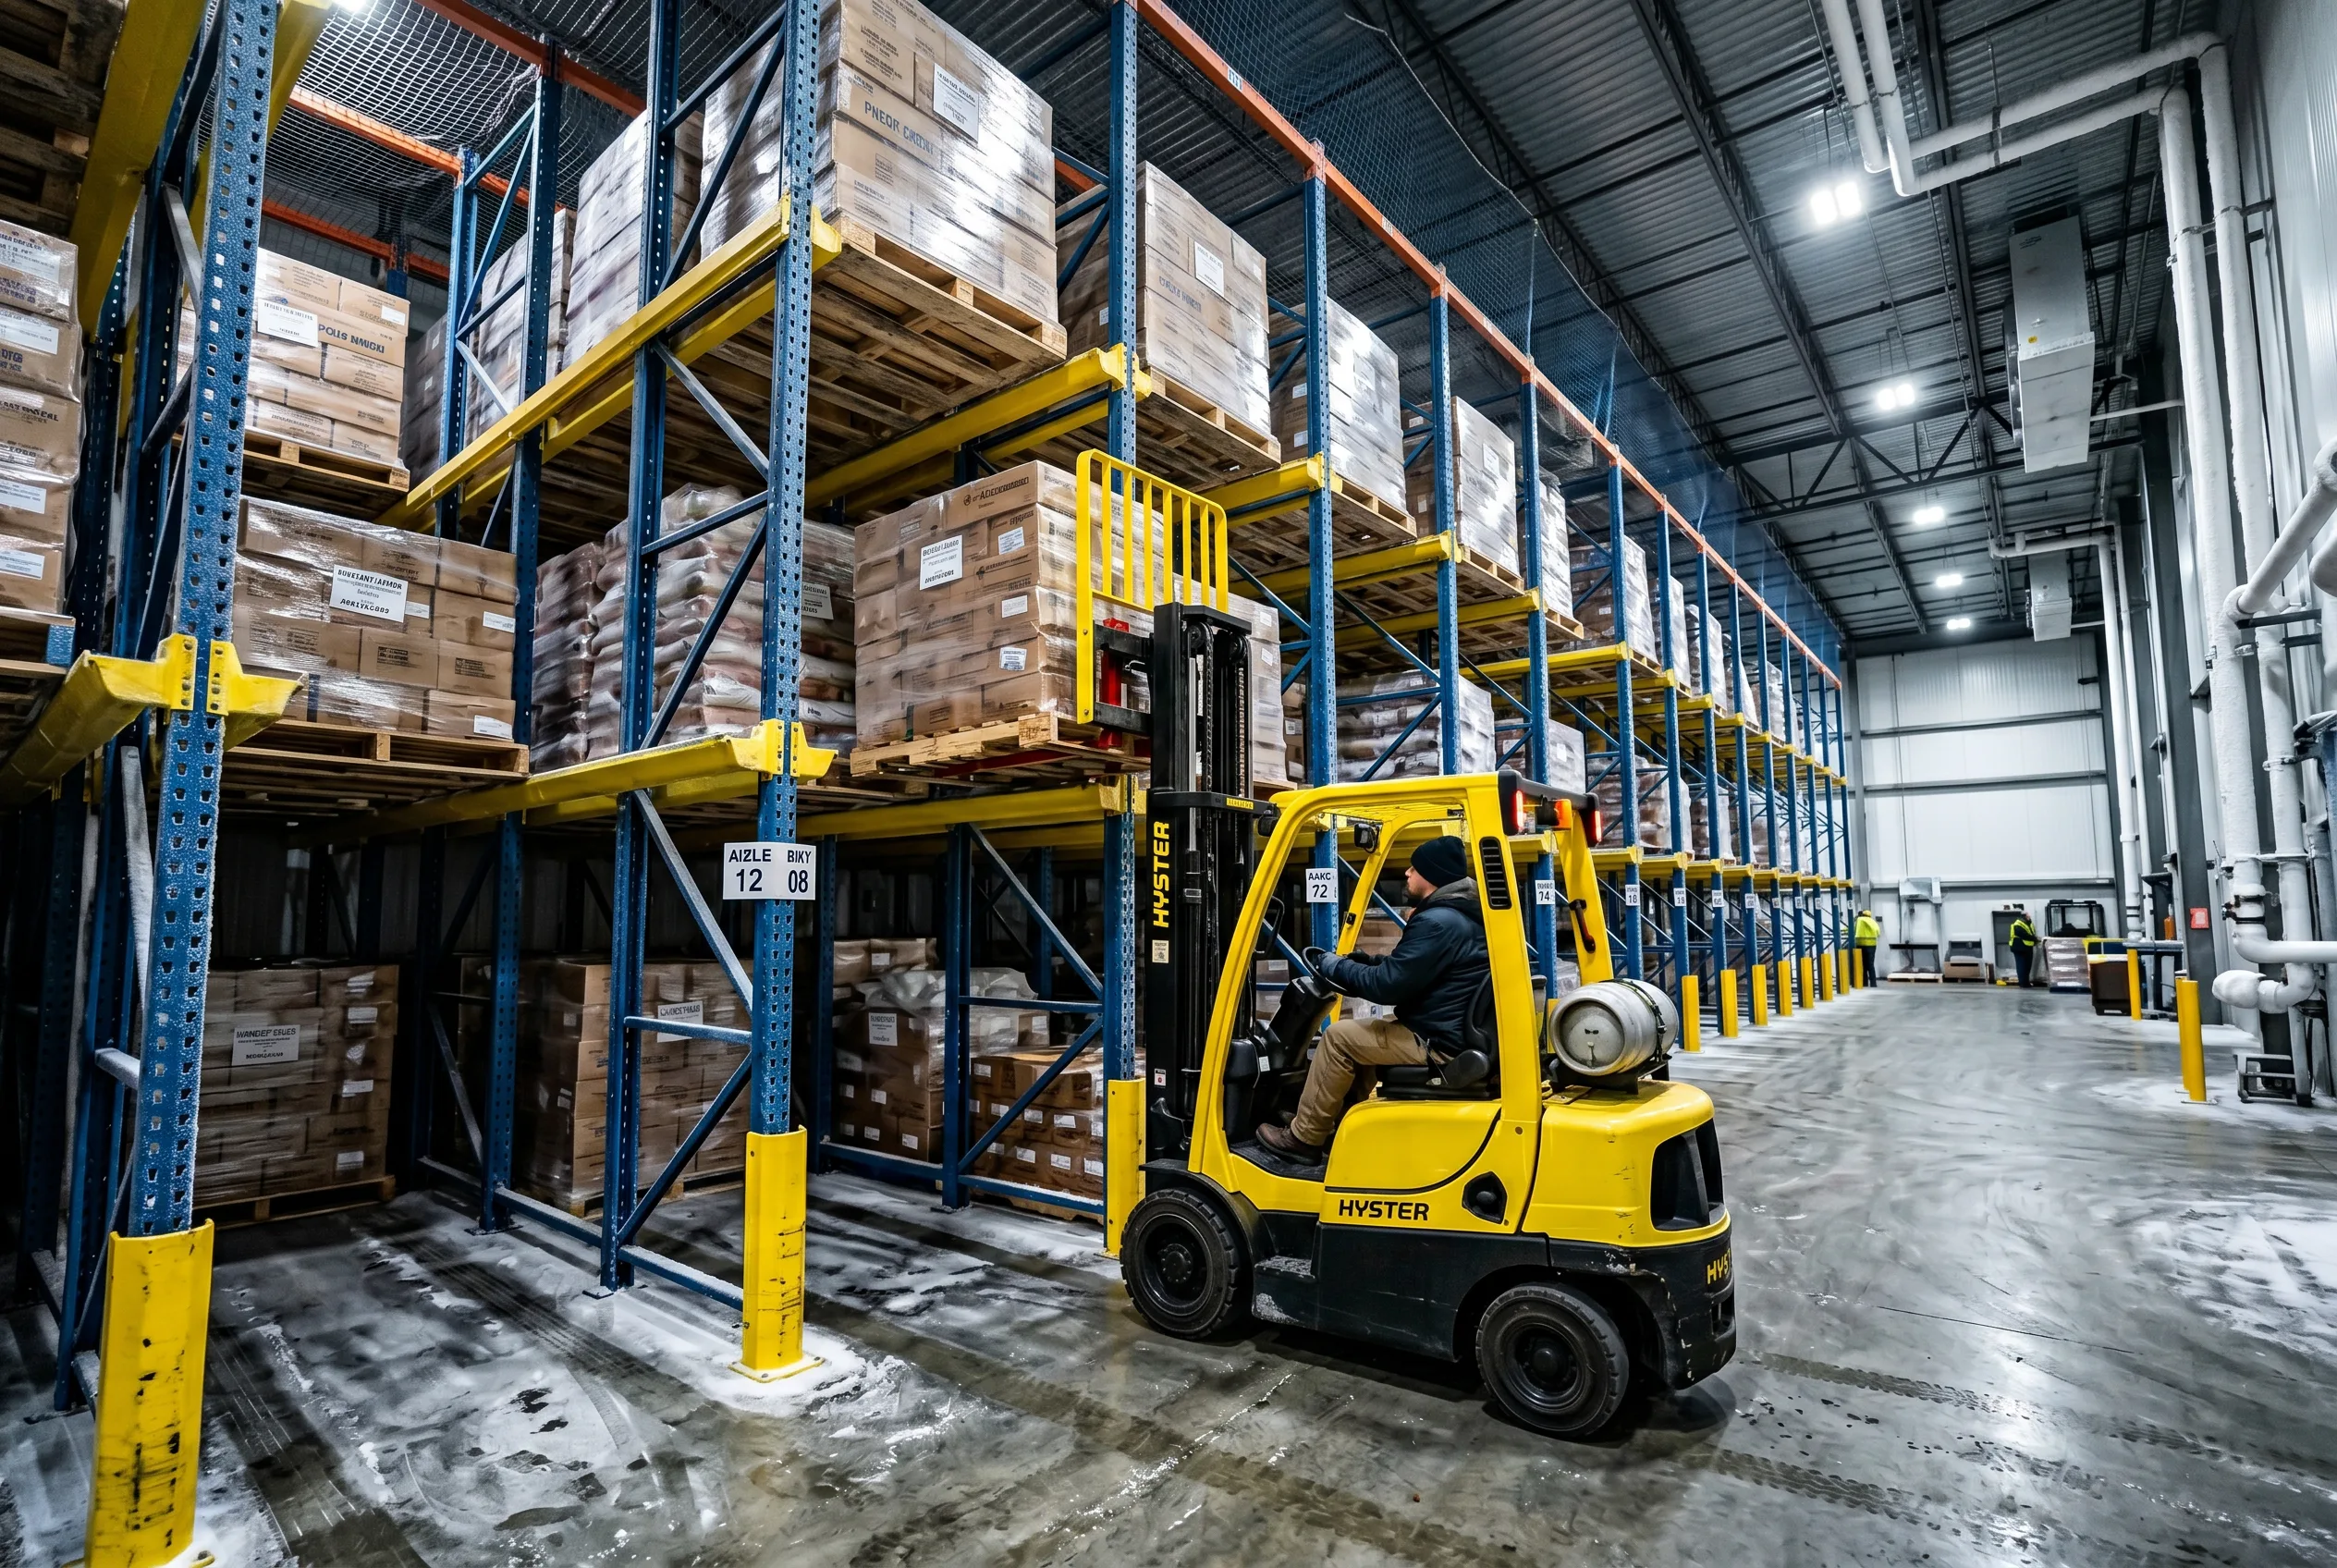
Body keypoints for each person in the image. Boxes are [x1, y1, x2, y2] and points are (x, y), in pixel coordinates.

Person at [1256, 834, 1488, 1164]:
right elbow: (1410, 971)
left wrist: (1336, 965)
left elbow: (1387, 987)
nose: (1407, 873)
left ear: (1433, 876)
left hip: (1437, 1041)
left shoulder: (1437, 922)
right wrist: (1366, 963)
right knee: (1364, 1039)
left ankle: (1303, 1137)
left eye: (1416, 868)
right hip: (1445, 1028)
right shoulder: (1457, 918)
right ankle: (1335, 1126)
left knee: (1338, 1038)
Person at [2007, 905, 2037, 988]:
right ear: (2024, 917)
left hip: (2027, 947)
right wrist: (2035, 939)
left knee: (2027, 966)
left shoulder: (2028, 924)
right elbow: (2024, 935)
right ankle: (2023, 983)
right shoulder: (2018, 924)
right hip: (2020, 947)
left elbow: (2031, 933)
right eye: (2028, 916)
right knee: (2021, 966)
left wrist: (2035, 940)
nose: (2029, 917)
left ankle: (2026, 982)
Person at [1853, 908, 1880, 986]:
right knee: (1871, 965)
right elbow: (1878, 932)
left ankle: (1864, 983)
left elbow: (1854, 930)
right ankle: (1873, 983)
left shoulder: (1859, 920)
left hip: (1860, 945)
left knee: (1862, 965)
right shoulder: (1872, 921)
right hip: (1872, 946)